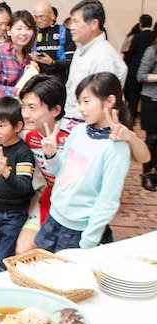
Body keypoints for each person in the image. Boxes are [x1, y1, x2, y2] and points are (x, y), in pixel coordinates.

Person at [35, 72, 133, 252]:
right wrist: (51, 155)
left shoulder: (116, 147)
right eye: (79, 102)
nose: (81, 108)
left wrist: (88, 243)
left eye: (87, 101)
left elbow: (108, 201)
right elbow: (62, 173)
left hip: (80, 229)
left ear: (110, 101)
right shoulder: (79, 131)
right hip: (56, 216)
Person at [16, 74, 70, 254]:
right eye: (23, 106)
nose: (25, 114)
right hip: (47, 197)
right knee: (23, 251)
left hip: (72, 202)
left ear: (55, 110)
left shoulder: (72, 137)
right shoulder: (29, 135)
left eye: (32, 107)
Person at [62, 0, 127, 133]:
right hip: (74, 123)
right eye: (71, 22)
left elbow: (103, 105)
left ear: (94, 24)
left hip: (91, 128)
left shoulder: (104, 56)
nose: (71, 27)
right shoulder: (81, 50)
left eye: (76, 22)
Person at [0, 97, 34, 274]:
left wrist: (5, 171)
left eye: (2, 126)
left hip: (13, 214)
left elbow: (24, 186)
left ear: (18, 127)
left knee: (5, 261)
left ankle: (3, 293)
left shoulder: (23, 153)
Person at [0, 10, 38, 106]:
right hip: (2, 113)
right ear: (9, 31)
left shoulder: (28, 59)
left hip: (21, 111)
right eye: (19, 28)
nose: (24, 33)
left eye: (28, 28)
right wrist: (17, 92)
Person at [31, 1, 76, 84]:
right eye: (36, 17)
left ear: (51, 15)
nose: (38, 20)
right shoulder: (32, 34)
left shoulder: (64, 33)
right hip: (38, 83)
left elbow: (72, 62)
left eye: (41, 16)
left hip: (59, 83)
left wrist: (52, 62)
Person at [124, 15, 155, 120]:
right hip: (151, 73)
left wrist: (126, 65)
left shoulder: (137, 36)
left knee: (133, 100)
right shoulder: (154, 37)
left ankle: (131, 121)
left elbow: (130, 54)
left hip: (135, 71)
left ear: (140, 23)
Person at [137, 38, 157, 191]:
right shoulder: (152, 50)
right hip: (152, 99)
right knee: (152, 138)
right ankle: (147, 174)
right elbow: (141, 75)